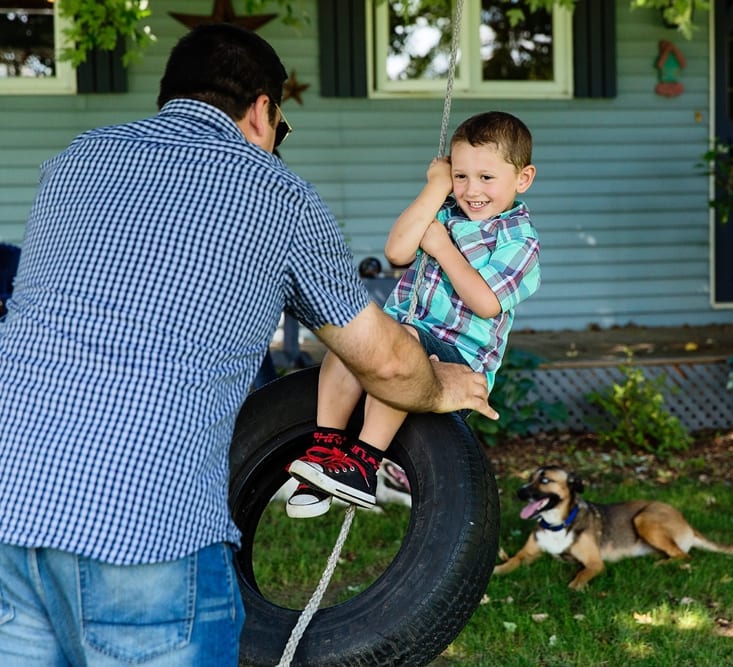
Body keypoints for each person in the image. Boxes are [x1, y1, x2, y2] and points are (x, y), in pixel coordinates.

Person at [0, 23, 496, 665]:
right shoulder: (278, 195)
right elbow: (384, 362)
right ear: (263, 110)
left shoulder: (72, 163)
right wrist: (444, 383)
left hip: (10, 507)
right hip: (143, 531)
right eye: (282, 129)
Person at [285, 111, 541, 516]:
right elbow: (398, 252)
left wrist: (442, 249)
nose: (471, 189)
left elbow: (486, 302)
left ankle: (364, 463)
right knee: (353, 339)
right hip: (408, 335)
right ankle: (325, 453)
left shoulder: (518, 240)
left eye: (486, 178)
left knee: (399, 344)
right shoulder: (442, 213)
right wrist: (435, 187)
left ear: (522, 179)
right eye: (461, 176)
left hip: (461, 361)